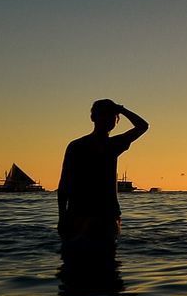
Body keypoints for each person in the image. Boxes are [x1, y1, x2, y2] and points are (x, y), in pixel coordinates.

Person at [57, 99, 148, 242]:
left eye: (111, 116)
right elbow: (64, 184)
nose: (107, 119)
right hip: (81, 214)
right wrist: (62, 217)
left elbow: (143, 126)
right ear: (93, 118)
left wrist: (120, 110)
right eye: (103, 115)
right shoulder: (78, 146)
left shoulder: (113, 144)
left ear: (116, 121)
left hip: (106, 215)